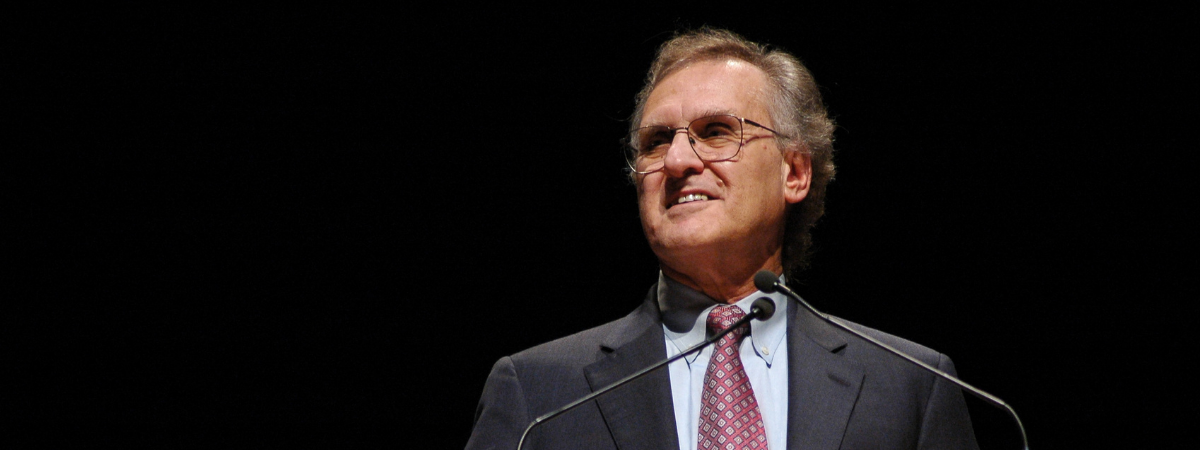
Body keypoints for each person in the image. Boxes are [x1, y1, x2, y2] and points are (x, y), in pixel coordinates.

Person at [466, 28, 979, 450]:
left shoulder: (910, 386)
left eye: (715, 132)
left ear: (794, 172)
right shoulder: (538, 394)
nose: (677, 161)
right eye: (656, 141)